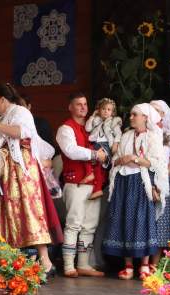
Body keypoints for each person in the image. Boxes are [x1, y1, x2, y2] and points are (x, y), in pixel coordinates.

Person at [0, 83, 63, 278]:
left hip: (22, 168)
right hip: (6, 170)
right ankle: (11, 261)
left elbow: (22, 133)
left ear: (2, 98)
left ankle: (45, 261)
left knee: (30, 210)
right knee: (8, 213)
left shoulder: (20, 111)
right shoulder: (3, 116)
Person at [102, 103, 169, 280]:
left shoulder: (153, 137)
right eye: (131, 114)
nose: (131, 117)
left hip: (141, 183)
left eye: (134, 114)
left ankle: (145, 265)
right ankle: (128, 265)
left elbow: (156, 163)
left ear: (146, 117)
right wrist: (122, 160)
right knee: (123, 219)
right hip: (123, 181)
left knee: (142, 220)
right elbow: (115, 160)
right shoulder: (126, 135)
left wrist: (134, 158)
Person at [56, 92, 106, 278]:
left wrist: (105, 154)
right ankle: (69, 265)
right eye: (78, 104)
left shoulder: (91, 129)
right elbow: (71, 151)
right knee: (74, 224)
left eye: (85, 104)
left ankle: (83, 264)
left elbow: (104, 149)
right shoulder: (65, 128)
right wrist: (95, 155)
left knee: (89, 225)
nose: (83, 107)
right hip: (75, 182)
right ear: (70, 107)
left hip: (94, 184)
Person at [149, 100, 170, 271]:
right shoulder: (145, 133)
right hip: (147, 180)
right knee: (146, 220)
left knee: (162, 222)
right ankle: (143, 263)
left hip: (164, 182)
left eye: (157, 111)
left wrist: (161, 180)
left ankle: (155, 263)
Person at [85, 98, 122, 199]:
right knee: (90, 159)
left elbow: (118, 134)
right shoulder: (96, 120)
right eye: (103, 109)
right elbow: (87, 128)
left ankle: (98, 187)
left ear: (112, 112)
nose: (106, 111)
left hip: (105, 145)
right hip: (93, 143)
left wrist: (115, 143)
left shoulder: (114, 122)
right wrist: (93, 116)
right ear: (98, 110)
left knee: (99, 165)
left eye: (109, 109)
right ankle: (91, 177)